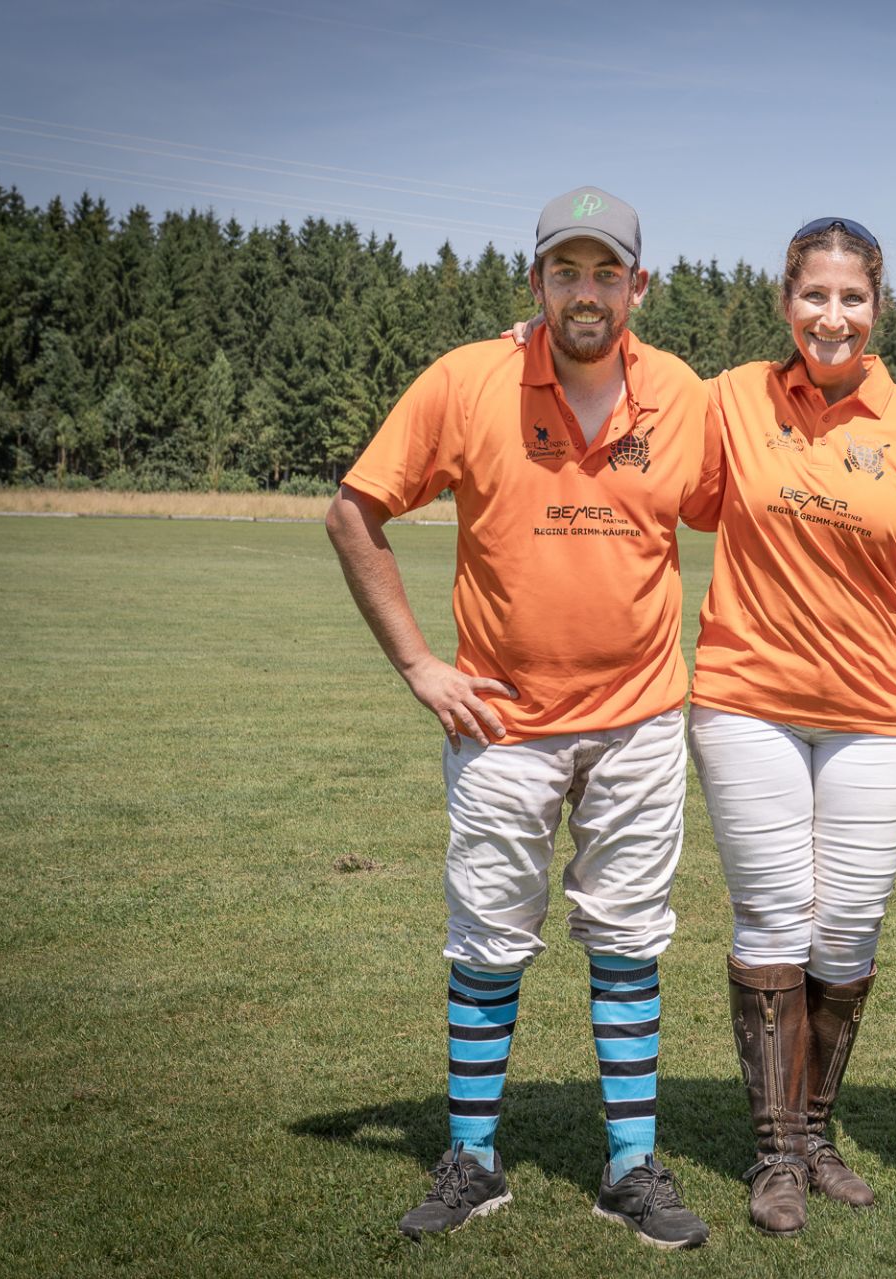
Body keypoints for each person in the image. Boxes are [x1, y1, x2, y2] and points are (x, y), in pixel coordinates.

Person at [325, 186, 721, 1251]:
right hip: (503, 721)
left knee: (628, 940)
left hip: (640, 717)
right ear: (535, 279)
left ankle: (632, 1167)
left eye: (606, 273)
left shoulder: (682, 393)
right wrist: (420, 665)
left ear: (639, 285)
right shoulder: (467, 380)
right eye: (566, 271)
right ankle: (472, 1158)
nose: (586, 292)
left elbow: (747, 501)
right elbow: (353, 512)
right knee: (488, 942)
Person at [688, 216, 896, 1235]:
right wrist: (526, 345)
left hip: (873, 712)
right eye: (814, 295)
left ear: (878, 307)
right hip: (746, 697)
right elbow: (641, 428)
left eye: (852, 298)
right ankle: (774, 1156)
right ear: (785, 300)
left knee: (847, 926)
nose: (831, 316)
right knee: (772, 917)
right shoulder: (730, 398)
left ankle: (814, 1135)